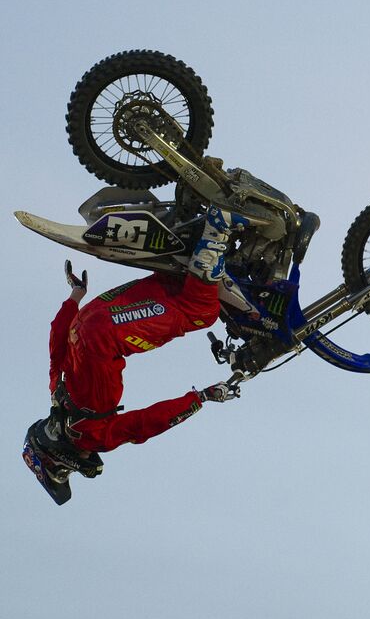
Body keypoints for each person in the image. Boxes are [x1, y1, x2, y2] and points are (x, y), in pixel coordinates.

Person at [23, 208, 242, 504]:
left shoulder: (89, 436)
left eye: (65, 470)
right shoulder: (56, 391)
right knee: (173, 282)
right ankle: (193, 223)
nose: (77, 465)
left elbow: (145, 423)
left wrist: (200, 398)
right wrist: (76, 295)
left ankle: (216, 232)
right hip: (91, 315)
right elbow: (56, 337)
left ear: (55, 455)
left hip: (107, 332)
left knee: (200, 311)